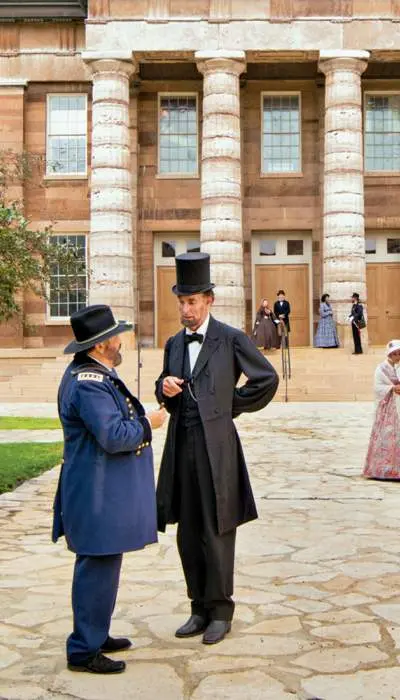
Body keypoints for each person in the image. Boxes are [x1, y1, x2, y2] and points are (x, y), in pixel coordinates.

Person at [155, 252, 279, 645]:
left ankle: (221, 611)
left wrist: (229, 406)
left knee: (216, 528)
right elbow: (166, 385)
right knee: (188, 532)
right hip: (181, 445)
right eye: (181, 302)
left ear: (209, 300)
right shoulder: (174, 342)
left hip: (218, 447)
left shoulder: (231, 338)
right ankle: (198, 608)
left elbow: (266, 379)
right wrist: (165, 388)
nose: (185, 309)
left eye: (192, 302)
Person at [52, 304, 167, 674]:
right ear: (101, 345)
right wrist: (149, 424)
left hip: (99, 491)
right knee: (96, 566)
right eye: (115, 336)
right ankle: (83, 650)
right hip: (95, 493)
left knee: (104, 564)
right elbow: (114, 435)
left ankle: (96, 634)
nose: (120, 341)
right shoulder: (89, 383)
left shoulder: (93, 375)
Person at [363, 339, 400, 480]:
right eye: (394, 354)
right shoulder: (381, 369)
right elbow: (377, 388)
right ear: (389, 354)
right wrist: (392, 388)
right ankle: (383, 469)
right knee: (386, 439)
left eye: (399, 353)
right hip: (388, 410)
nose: (397, 356)